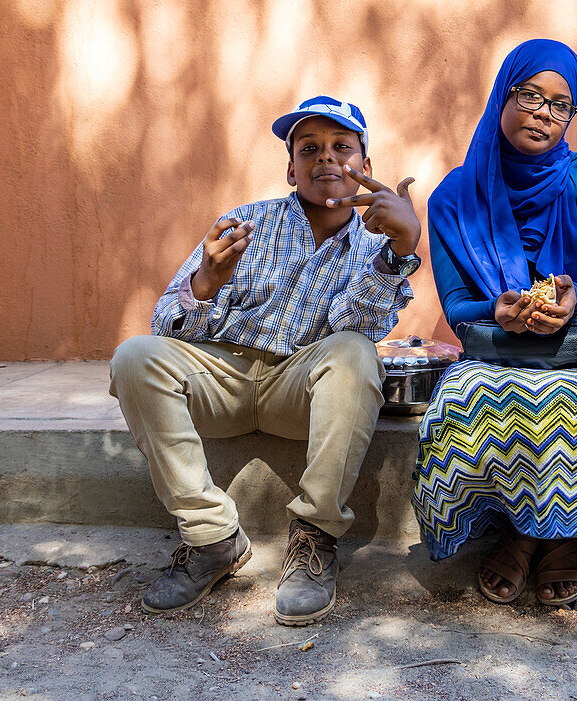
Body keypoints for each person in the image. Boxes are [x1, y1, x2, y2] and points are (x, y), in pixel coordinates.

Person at [109, 95, 423, 626]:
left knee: (354, 353)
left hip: (298, 387)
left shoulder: (380, 242)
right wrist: (205, 284)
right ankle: (212, 538)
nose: (325, 158)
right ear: (290, 168)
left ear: (365, 169)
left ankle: (315, 536)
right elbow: (166, 320)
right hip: (224, 378)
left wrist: (401, 248)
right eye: (310, 149)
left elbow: (360, 330)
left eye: (341, 147)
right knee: (135, 356)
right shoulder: (245, 224)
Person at [415, 39, 577, 606]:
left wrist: (576, 300)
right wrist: (498, 310)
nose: (544, 112)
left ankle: (564, 531)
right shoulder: (453, 197)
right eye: (530, 95)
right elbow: (458, 312)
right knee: (473, 395)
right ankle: (521, 528)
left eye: (561, 103)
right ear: (503, 96)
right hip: (500, 347)